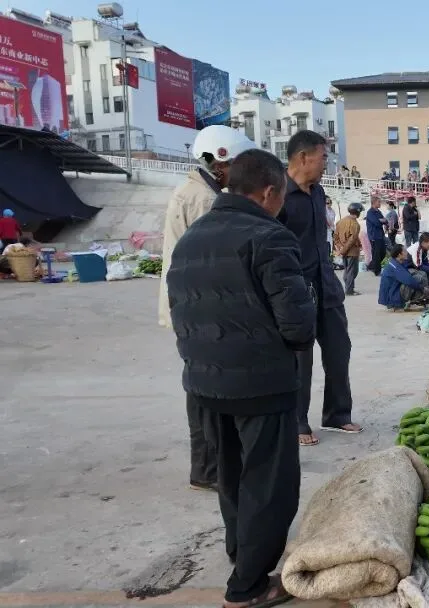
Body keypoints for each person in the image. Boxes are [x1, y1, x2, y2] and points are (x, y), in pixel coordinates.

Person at [167, 148, 315, 608]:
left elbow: (181, 312)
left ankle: (240, 552)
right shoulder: (269, 237)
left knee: (231, 477)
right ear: (269, 192)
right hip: (261, 384)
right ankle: (247, 587)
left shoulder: (192, 238)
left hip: (205, 383)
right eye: (281, 195)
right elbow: (298, 327)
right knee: (270, 486)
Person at [159, 126, 255, 492]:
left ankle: (210, 464)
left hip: (192, 304)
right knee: (205, 390)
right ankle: (208, 468)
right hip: (198, 306)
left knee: (204, 386)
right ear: (220, 161)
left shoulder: (200, 192)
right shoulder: (202, 199)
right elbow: (211, 259)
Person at [279, 130, 362, 447]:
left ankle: (337, 414)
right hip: (297, 287)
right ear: (303, 157)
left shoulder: (317, 192)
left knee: (340, 349)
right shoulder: (279, 194)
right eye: (323, 156)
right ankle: (298, 421)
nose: (327, 163)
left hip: (326, 281)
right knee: (301, 359)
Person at [378, 244, 427, 310]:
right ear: (399, 254)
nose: (407, 252)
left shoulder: (396, 262)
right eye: (405, 251)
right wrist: (422, 289)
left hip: (393, 291)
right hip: (392, 297)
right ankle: (407, 304)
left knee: (419, 274)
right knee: (417, 279)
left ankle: (416, 299)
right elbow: (409, 281)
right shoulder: (395, 266)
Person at [334, 203, 363, 296]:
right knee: (352, 271)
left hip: (343, 249)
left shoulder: (341, 221)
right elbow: (352, 239)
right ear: (357, 212)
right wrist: (343, 250)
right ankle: (349, 290)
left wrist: (340, 248)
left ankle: (348, 287)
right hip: (352, 251)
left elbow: (335, 237)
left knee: (347, 270)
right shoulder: (355, 224)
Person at [365, 197, 388, 275]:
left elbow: (385, 221)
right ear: (374, 202)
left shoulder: (378, 212)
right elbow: (376, 223)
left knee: (383, 253)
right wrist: (381, 220)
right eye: (379, 202)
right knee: (376, 254)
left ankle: (371, 266)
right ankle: (377, 271)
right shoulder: (370, 212)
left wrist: (382, 220)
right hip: (374, 236)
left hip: (380, 235)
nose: (380, 203)